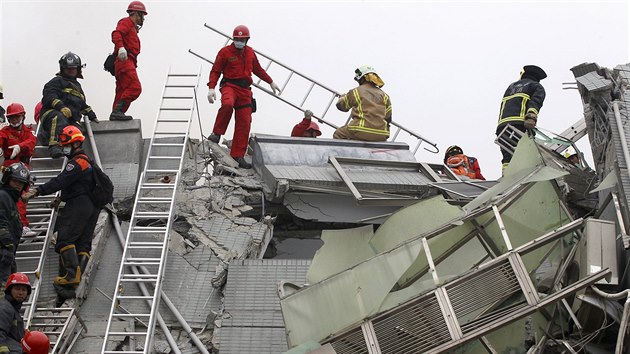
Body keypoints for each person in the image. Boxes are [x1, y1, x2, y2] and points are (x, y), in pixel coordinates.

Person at [22, 126, 100, 306]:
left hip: (79, 205)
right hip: (92, 207)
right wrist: (62, 198)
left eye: (66, 144)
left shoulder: (77, 162)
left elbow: (61, 180)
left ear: (75, 143)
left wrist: (37, 191)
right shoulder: (88, 162)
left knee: (65, 238)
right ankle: (77, 274)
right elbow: (78, 184)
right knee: (82, 242)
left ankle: (71, 275)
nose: (63, 147)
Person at [206, 24, 281, 169]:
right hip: (230, 86)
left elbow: (258, 69)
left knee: (245, 121)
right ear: (233, 38)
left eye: (242, 39)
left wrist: (270, 81)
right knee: (227, 104)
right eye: (236, 39)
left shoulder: (250, 53)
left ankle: (238, 154)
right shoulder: (225, 52)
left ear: (247, 39)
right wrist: (211, 88)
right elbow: (215, 70)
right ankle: (217, 133)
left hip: (245, 90)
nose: (239, 41)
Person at [39, 52, 98, 158]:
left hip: (70, 119)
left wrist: (91, 114)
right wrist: (61, 107)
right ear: (62, 69)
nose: (71, 70)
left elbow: (81, 104)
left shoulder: (78, 86)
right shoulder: (56, 81)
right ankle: (54, 146)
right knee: (59, 118)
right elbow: (49, 97)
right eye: (68, 68)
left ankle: (73, 153)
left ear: (78, 69)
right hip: (52, 115)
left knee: (78, 130)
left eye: (73, 68)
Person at [497, 65, 546, 170]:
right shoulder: (536, 86)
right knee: (528, 155)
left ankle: (506, 178)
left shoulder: (511, 87)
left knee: (507, 158)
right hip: (519, 125)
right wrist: (531, 117)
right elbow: (535, 102)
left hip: (502, 127)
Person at [0, 104, 37, 238]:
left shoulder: (28, 130)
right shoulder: (5, 131)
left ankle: (22, 225)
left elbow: (31, 141)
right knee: (13, 196)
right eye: (11, 118)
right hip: (10, 165)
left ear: (23, 116)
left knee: (21, 196)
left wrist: (20, 146)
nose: (14, 120)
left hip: (24, 165)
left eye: (17, 117)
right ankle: (22, 225)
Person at [110, 1, 148, 121]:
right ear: (137, 13)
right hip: (125, 61)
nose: (143, 19)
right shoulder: (126, 22)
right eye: (143, 15)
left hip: (125, 62)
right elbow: (116, 34)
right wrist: (121, 47)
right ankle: (117, 112)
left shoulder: (132, 28)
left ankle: (115, 115)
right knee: (135, 88)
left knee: (122, 91)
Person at [333, 65, 392, 142]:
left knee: (339, 134)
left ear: (362, 78)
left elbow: (342, 107)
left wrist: (342, 98)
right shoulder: (385, 96)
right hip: (381, 134)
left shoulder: (356, 92)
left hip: (360, 130)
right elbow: (388, 117)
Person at [0, 163, 31, 286]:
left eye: (21, 182)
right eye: (15, 181)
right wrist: (7, 247)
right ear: (7, 180)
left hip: (7, 254)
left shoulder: (10, 199)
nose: (18, 185)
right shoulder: (3, 196)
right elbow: (1, 222)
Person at [0, 272, 30, 353]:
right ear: (10, 290)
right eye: (17, 289)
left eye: (24, 290)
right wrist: (3, 350)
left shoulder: (13, 309)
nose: (21, 293)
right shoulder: (5, 307)